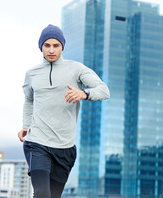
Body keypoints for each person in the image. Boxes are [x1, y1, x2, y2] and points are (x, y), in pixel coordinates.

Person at [18, 24, 110, 198]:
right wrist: (26, 125)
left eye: (56, 45)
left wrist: (83, 93)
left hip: (64, 148)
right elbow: (29, 100)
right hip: (37, 142)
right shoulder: (32, 74)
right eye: (47, 45)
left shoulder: (77, 69)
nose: (51, 50)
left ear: (62, 47)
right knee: (42, 193)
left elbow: (104, 91)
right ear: (41, 47)